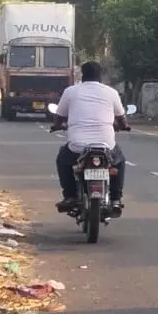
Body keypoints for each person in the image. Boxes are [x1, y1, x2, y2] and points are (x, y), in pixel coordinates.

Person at [52, 61, 128, 215]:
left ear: (82, 74)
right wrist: (124, 126)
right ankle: (115, 199)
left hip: (77, 147)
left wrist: (57, 126)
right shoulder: (111, 92)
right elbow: (121, 118)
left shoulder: (70, 91)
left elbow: (59, 117)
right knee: (119, 162)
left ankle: (70, 196)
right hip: (106, 146)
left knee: (63, 159)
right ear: (100, 75)